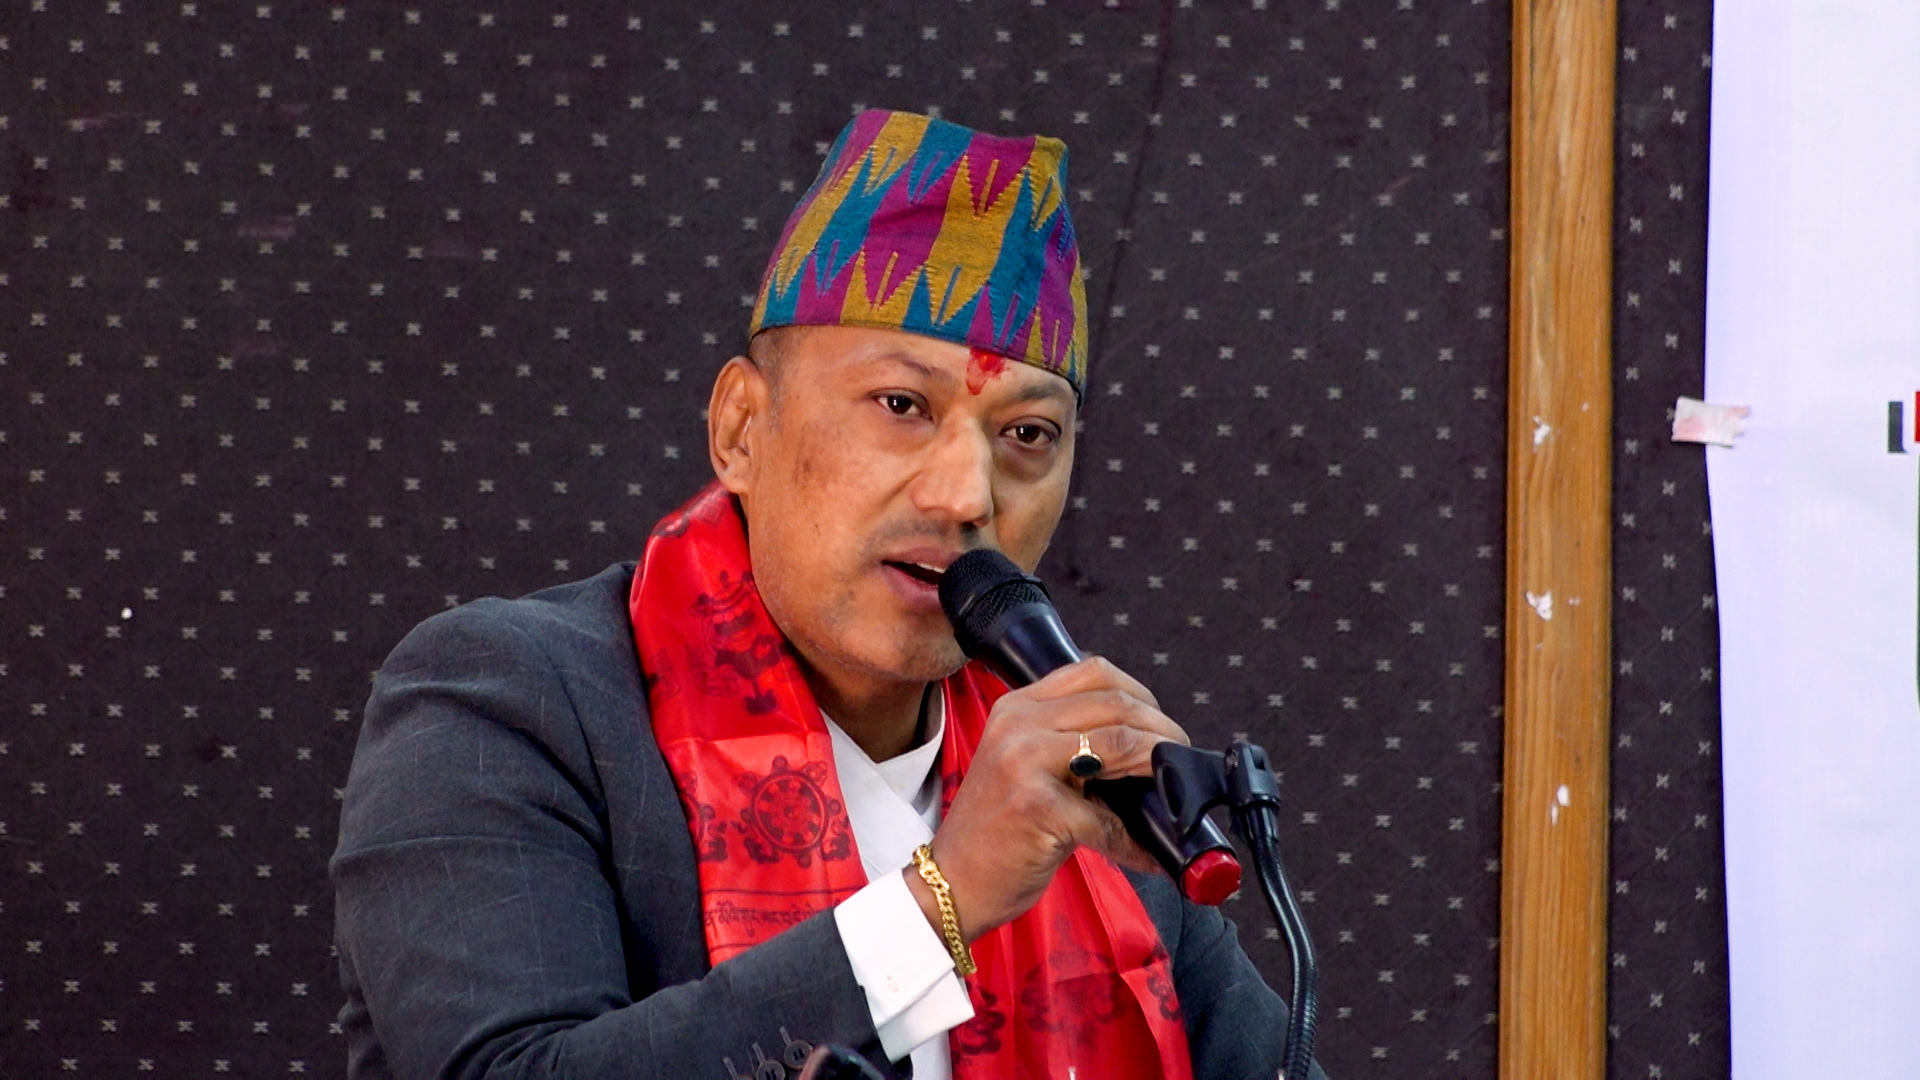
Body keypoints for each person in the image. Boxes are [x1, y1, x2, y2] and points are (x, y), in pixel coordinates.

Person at [331, 109, 1325, 1080]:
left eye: (1027, 435)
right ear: (740, 429)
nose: (966, 495)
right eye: (902, 405)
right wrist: (944, 899)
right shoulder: (515, 700)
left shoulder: (1083, 790)